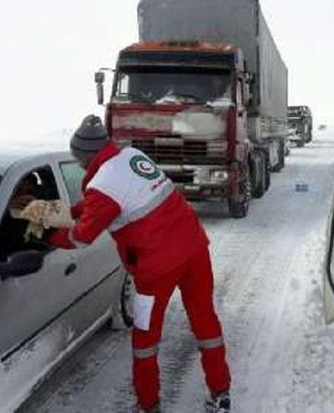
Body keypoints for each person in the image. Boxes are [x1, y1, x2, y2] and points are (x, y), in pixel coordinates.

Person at [47, 115, 231, 413]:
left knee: (145, 338)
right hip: (195, 250)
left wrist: (48, 236)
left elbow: (82, 237)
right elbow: (112, 197)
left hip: (154, 270)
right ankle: (220, 393)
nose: (79, 163)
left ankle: (148, 405)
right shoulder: (132, 156)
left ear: (85, 157)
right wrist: (73, 210)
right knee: (205, 321)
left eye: (78, 158)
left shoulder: (101, 185)